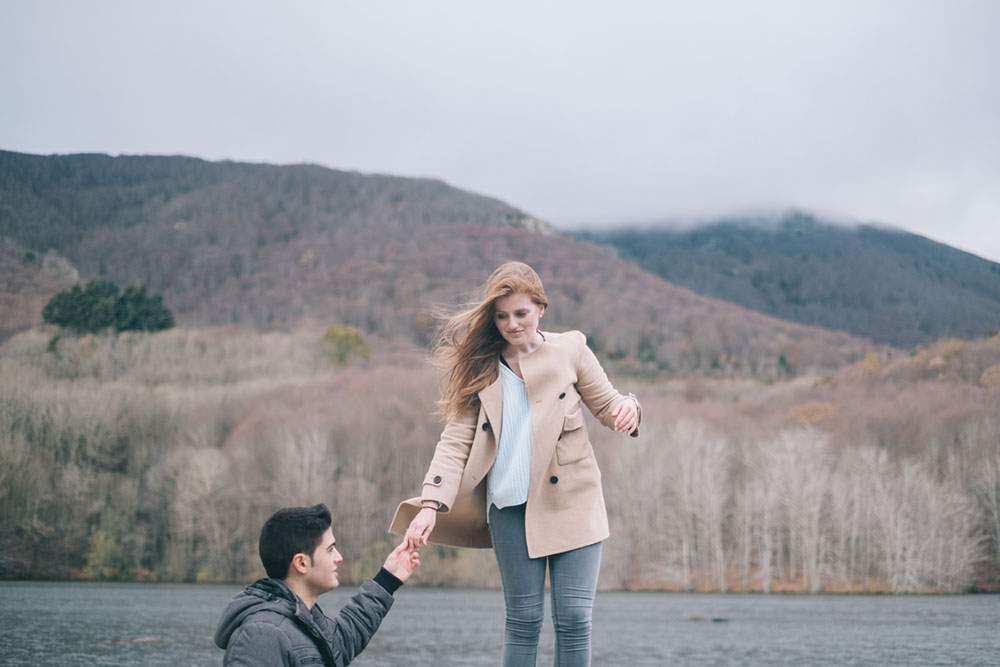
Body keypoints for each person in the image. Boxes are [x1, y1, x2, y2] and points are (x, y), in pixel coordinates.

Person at [390, 261, 640, 666]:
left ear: (541, 308)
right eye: (502, 316)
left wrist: (629, 407)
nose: (512, 324)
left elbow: (610, 405)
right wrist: (430, 504)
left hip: (573, 501)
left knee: (575, 618)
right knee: (523, 621)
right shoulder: (483, 367)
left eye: (521, 313)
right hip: (509, 509)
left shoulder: (572, 349)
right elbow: (455, 442)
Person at [216, 503, 420, 666]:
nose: (339, 557)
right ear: (301, 563)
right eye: (330, 549)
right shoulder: (262, 635)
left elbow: (343, 640)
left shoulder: (305, 618)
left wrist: (388, 579)